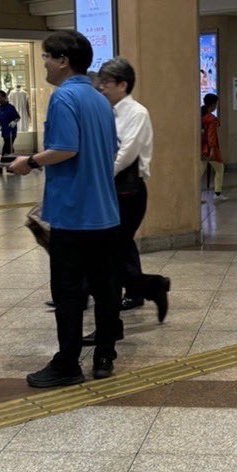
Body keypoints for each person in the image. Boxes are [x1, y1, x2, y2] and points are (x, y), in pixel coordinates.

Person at [8, 30, 121, 388]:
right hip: (104, 210)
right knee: (104, 288)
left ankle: (67, 363)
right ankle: (104, 356)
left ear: (63, 61)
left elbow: (65, 149)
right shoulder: (100, 99)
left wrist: (29, 161)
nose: (43, 63)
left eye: (46, 56)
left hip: (74, 212)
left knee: (69, 291)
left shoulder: (63, 98)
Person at [96, 58, 171, 321]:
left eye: (106, 83)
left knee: (112, 252)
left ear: (122, 85)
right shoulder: (106, 110)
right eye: (100, 82)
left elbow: (126, 153)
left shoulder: (137, 113)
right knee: (118, 248)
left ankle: (148, 288)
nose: (101, 87)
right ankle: (144, 289)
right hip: (112, 187)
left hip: (128, 191)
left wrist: (100, 175)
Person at [200, 93, 227, 201]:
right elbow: (211, 136)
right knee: (220, 168)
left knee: (199, 172)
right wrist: (212, 150)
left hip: (200, 147)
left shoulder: (200, 115)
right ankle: (217, 193)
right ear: (212, 104)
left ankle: (194, 194)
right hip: (209, 149)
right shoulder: (211, 119)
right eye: (216, 104)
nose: (216, 106)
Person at [0, 90, 20, 173]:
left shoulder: (10, 107)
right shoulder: (0, 108)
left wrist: (14, 122)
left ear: (4, 97)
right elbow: (0, 120)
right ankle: (14, 166)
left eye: (0, 98)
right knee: (10, 150)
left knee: (5, 150)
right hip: (4, 132)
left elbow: (17, 117)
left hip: (11, 132)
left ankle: (0, 167)